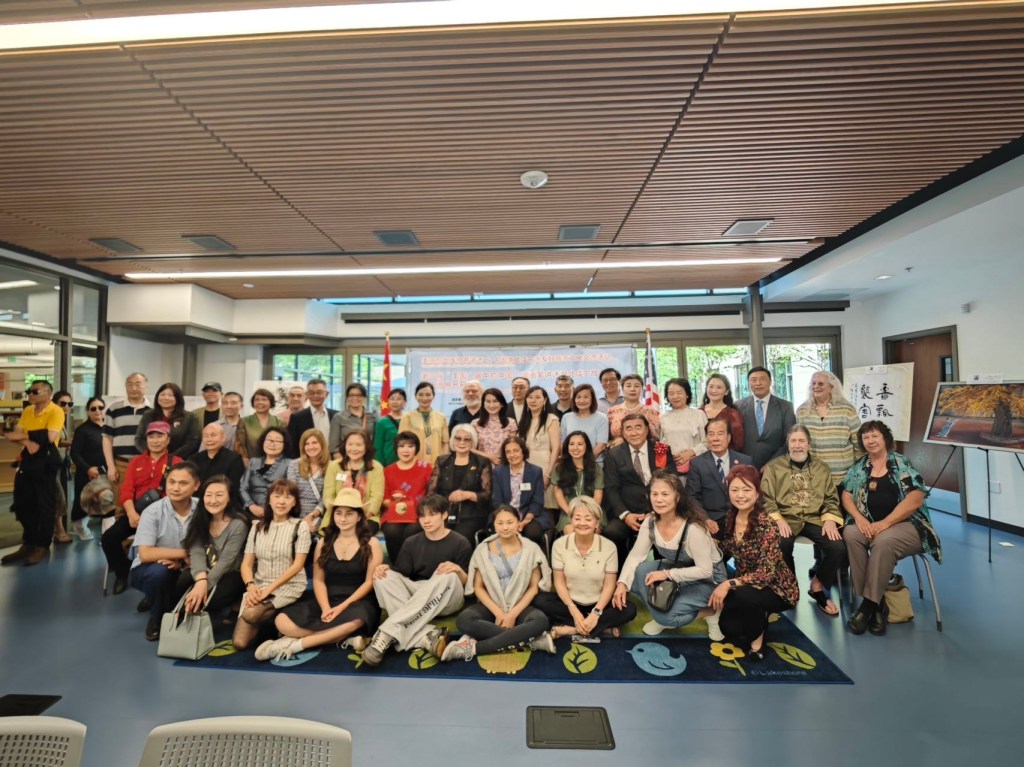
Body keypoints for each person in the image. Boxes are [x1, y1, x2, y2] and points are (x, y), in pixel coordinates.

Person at [842, 420, 942, 636]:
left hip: (907, 525)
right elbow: (846, 495)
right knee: (850, 534)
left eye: (875, 436)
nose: (870, 441)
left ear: (885, 438)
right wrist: (859, 519)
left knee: (883, 542)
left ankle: (867, 606)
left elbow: (916, 498)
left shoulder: (900, 464)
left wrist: (885, 524)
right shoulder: (860, 467)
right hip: (869, 524)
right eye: (866, 437)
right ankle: (877, 605)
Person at [258, 488, 384, 661]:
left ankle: (296, 645)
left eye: (349, 514)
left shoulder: (372, 543)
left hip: (358, 601)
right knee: (281, 621)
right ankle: (341, 638)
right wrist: (325, 607)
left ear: (359, 517)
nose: (343, 518)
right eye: (338, 513)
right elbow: (318, 580)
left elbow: (369, 583)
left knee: (356, 622)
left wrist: (342, 607)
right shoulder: (323, 543)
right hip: (327, 598)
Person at [362, 495, 472, 666]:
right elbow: (402, 574)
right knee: (382, 577)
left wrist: (458, 570)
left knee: (447, 574)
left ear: (444, 515)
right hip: (418, 593)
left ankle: (387, 633)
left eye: (432, 515)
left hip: (447, 597)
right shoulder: (411, 542)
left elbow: (467, 585)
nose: (426, 520)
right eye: (422, 516)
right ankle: (426, 636)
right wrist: (384, 569)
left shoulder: (460, 542)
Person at [613, 471, 726, 636]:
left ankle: (710, 612)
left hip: (709, 579)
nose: (659, 499)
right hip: (680, 569)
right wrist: (622, 584)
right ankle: (662, 612)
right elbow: (636, 556)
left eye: (665, 494)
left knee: (667, 616)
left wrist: (667, 574)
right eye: (655, 494)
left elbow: (705, 570)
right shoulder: (650, 522)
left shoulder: (694, 528)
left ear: (677, 497)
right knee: (639, 572)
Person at [442, 504, 554, 661]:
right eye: (500, 523)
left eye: (510, 522)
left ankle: (473, 648)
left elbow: (534, 587)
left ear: (518, 523)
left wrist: (512, 615)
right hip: (492, 604)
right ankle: (532, 640)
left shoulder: (531, 549)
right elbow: (478, 587)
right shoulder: (483, 549)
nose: (505, 527)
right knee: (464, 620)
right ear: (494, 525)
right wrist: (500, 614)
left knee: (540, 621)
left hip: (520, 605)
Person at [710, 465, 799, 659]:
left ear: (757, 493)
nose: (740, 495)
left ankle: (758, 642)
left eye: (746, 489)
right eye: (734, 490)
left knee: (744, 596)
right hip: (744, 583)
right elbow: (727, 549)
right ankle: (758, 615)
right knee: (729, 628)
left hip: (776, 587)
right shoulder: (730, 518)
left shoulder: (767, 524)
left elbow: (765, 573)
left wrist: (727, 584)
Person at [761, 425, 845, 616]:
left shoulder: (821, 468)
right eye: (793, 441)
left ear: (809, 444)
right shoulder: (774, 467)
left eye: (801, 441)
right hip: (786, 518)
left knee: (837, 547)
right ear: (788, 444)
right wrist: (778, 520)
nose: (797, 445)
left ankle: (817, 586)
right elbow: (766, 498)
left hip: (815, 518)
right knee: (782, 543)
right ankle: (790, 587)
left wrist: (830, 521)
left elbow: (831, 498)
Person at [533, 496, 635, 639]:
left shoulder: (609, 546)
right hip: (570, 603)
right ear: (571, 520)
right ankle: (601, 628)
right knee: (539, 600)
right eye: (577, 518)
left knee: (630, 609)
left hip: (599, 603)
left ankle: (571, 629)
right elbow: (559, 583)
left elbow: (609, 585)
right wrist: (573, 610)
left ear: (596, 523)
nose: (582, 523)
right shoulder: (559, 545)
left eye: (588, 519)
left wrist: (596, 613)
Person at [100, 420, 183, 594]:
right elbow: (126, 491)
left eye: (160, 436)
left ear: (168, 439)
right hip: (137, 514)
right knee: (109, 538)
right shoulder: (135, 462)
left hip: (164, 516)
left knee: (162, 543)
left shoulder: (177, 462)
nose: (155, 440)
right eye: (151, 436)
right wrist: (131, 513)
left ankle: (157, 583)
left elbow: (179, 493)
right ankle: (123, 573)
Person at [232, 479, 311, 650]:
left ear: (294, 502)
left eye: (287, 497)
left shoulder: (300, 526)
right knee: (239, 643)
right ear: (269, 500)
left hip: (289, 586)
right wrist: (251, 586)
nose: (281, 502)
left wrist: (269, 590)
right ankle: (272, 626)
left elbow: (297, 566)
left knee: (251, 614)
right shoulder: (257, 527)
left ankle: (275, 620)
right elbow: (246, 565)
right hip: (259, 586)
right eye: (277, 496)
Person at [129, 462, 201, 641]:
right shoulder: (152, 512)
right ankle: (157, 618)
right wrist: (183, 555)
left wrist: (180, 563)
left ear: (196, 486)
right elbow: (145, 554)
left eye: (183, 483)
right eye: (172, 482)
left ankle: (155, 597)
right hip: (150, 568)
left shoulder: (203, 509)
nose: (175, 488)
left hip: (187, 566)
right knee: (159, 573)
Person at [1, 379, 65, 567]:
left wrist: (23, 436)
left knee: (45, 505)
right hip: (27, 460)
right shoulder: (28, 410)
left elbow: (50, 437)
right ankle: (28, 542)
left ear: (48, 394)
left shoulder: (55, 411)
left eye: (35, 391)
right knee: (23, 503)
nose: (30, 394)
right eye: (29, 390)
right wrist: (28, 442)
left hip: (45, 462)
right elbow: (15, 434)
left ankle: (42, 545)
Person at [603, 413, 677, 568]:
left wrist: (656, 511)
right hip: (627, 511)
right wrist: (625, 515)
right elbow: (611, 488)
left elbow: (672, 484)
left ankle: (663, 575)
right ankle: (622, 574)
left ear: (646, 430)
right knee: (612, 532)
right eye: (628, 429)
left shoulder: (661, 449)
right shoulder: (613, 454)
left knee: (667, 533)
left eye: (638, 427)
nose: (634, 432)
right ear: (623, 433)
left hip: (659, 510)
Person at [176, 475, 249, 618]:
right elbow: (196, 551)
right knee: (182, 582)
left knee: (207, 601)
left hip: (230, 572)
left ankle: (229, 607)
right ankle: (177, 617)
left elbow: (226, 561)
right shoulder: (200, 518)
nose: (213, 500)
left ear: (229, 498)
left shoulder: (238, 524)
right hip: (207, 569)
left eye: (219, 495)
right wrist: (201, 580)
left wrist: (204, 585)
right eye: (208, 495)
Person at [687, 418, 752, 538]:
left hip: (740, 517)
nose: (715, 438)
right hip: (712, 521)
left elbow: (753, 492)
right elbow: (692, 497)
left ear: (729, 437)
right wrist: (705, 519)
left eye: (720, 434)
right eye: (711, 434)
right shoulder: (697, 463)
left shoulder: (744, 461)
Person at [427, 424, 492, 544]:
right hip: (445, 511)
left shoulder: (482, 462)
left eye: (467, 439)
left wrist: (468, 495)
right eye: (458, 438)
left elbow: (487, 495)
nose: (462, 442)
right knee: (435, 534)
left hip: (472, 514)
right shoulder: (442, 461)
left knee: (459, 538)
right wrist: (446, 500)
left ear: (472, 442)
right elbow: (431, 493)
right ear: (453, 440)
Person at [796, 371, 863, 486]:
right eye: (813, 383)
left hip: (844, 478)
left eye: (821, 384)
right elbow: (800, 444)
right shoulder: (802, 411)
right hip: (813, 478)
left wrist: (857, 473)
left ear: (831, 387)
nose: (816, 386)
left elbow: (859, 444)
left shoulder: (847, 410)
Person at [100, 372, 151, 514]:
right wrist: (111, 466)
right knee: (121, 505)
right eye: (130, 384)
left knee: (146, 505)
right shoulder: (114, 409)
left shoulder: (153, 411)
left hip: (146, 464)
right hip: (121, 464)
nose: (133, 388)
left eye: (138, 384)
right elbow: (107, 438)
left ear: (146, 386)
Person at [381, 431, 432, 562]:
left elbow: (431, 495)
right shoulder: (388, 471)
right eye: (401, 446)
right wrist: (396, 503)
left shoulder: (425, 467)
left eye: (410, 446)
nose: (406, 450)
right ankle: (397, 565)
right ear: (396, 449)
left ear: (416, 448)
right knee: (392, 531)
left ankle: (413, 566)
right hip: (393, 514)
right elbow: (384, 499)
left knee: (412, 531)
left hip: (419, 513)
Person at [491, 436, 548, 549]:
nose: (512, 455)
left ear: (523, 451)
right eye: (508, 452)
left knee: (532, 533)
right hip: (505, 515)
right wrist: (510, 521)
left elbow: (537, 501)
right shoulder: (498, 472)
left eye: (516, 450)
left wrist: (525, 521)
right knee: (500, 532)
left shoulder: (535, 471)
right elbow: (497, 501)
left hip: (529, 515)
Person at [323, 429, 384, 533]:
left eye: (358, 445)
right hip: (338, 515)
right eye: (350, 444)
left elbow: (376, 497)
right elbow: (328, 496)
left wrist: (360, 516)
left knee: (362, 532)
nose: (353, 448)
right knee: (333, 533)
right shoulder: (334, 466)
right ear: (345, 446)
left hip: (366, 516)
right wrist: (340, 515)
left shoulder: (376, 467)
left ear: (366, 447)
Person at [735, 366, 796, 469]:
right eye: (753, 380)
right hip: (745, 466)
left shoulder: (785, 406)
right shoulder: (738, 406)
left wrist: (771, 464)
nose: (758, 383)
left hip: (776, 467)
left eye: (762, 379)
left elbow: (789, 439)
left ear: (770, 382)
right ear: (749, 383)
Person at [68, 395, 107, 541]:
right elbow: (74, 453)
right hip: (87, 473)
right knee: (84, 502)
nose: (97, 411)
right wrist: (87, 468)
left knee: (105, 503)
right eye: (93, 409)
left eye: (100, 408)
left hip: (106, 473)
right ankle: (80, 528)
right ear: (88, 411)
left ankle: (106, 534)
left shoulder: (110, 428)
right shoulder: (82, 430)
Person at [551, 431, 605, 534]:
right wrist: (571, 512)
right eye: (572, 444)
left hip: (592, 510)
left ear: (586, 447)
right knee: (572, 532)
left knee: (591, 531)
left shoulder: (595, 468)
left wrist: (590, 512)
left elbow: (598, 496)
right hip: (569, 510)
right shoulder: (559, 468)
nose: (575, 448)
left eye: (580, 444)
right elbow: (558, 494)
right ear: (567, 447)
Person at [133, 382, 201, 459]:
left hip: (179, 461)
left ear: (178, 398)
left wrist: (169, 458)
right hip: (151, 460)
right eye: (162, 394)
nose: (166, 398)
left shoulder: (190, 417)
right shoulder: (148, 415)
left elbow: (192, 443)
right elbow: (139, 439)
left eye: (170, 395)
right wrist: (153, 455)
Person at [518, 385, 560, 508]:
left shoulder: (551, 419)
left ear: (545, 400)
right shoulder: (523, 421)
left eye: (537, 397)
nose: (533, 400)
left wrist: (548, 474)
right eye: (530, 397)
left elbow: (556, 449)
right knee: (528, 504)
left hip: (545, 466)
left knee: (546, 505)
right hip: (526, 467)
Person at [240, 427, 292, 520]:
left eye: (278, 441)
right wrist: (251, 506)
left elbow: (291, 492)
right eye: (269, 440)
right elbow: (243, 487)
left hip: (277, 512)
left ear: (284, 445)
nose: (272, 444)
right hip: (250, 511)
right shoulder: (253, 462)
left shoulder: (290, 464)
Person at [660, 378, 708, 474]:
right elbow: (660, 444)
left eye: (679, 392)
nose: (675, 396)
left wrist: (692, 452)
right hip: (671, 468)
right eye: (671, 393)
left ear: (687, 394)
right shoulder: (662, 417)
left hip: (696, 467)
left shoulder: (699, 414)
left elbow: (707, 442)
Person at [285, 428, 329, 529]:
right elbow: (291, 493)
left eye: (314, 443)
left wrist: (312, 515)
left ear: (322, 444)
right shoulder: (294, 465)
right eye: (307, 444)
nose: (311, 447)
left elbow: (326, 497)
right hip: (295, 511)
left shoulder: (330, 467)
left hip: (320, 513)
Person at [397, 382, 448, 465]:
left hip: (437, 462)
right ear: (416, 396)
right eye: (420, 395)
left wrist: (445, 462)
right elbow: (401, 442)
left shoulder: (441, 417)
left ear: (433, 396)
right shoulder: (407, 417)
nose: (424, 398)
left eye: (428, 395)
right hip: (414, 462)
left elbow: (445, 442)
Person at [286, 378, 337, 458]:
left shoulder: (336, 415)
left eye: (319, 392)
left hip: (332, 461)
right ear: (307, 395)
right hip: (307, 462)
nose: (315, 396)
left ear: (326, 394)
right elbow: (292, 445)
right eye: (311, 393)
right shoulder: (297, 418)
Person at [559, 383, 609, 465]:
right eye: (578, 397)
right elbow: (562, 443)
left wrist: (583, 463)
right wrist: (570, 462)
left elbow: (601, 445)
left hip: (593, 464)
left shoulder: (602, 418)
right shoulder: (566, 417)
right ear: (574, 399)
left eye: (586, 397)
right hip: (570, 465)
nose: (582, 400)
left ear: (592, 399)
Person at [607, 373, 662, 447]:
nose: (632, 389)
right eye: (628, 386)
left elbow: (656, 438)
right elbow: (607, 438)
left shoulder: (650, 411)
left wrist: (625, 440)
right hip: (618, 451)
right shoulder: (612, 411)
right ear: (622, 389)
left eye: (636, 386)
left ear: (642, 389)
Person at [329, 382, 378, 458]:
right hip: (346, 459)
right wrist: (344, 462)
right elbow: (334, 448)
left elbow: (376, 441)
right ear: (347, 398)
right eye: (351, 395)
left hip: (368, 459)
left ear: (364, 398)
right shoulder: (338, 417)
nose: (355, 398)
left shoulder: (372, 417)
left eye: (358, 395)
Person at [700, 373, 745, 456]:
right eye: (711, 387)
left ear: (726, 391)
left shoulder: (733, 414)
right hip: (700, 458)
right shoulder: (699, 412)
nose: (714, 390)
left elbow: (738, 444)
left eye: (719, 387)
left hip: (726, 458)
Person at [189, 422, 244, 488]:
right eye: (206, 436)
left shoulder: (234, 459)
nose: (209, 439)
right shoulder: (194, 459)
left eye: (213, 435)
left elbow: (234, 487)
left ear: (223, 438)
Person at [471, 388, 517, 466]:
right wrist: (489, 457)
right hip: (482, 465)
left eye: (495, 401)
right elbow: (470, 448)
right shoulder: (475, 424)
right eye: (488, 401)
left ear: (502, 404)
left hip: (505, 465)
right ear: (483, 404)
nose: (491, 405)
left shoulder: (511, 423)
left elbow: (513, 446)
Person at [52, 390, 74, 544]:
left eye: (69, 403)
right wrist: (73, 442)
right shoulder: (54, 419)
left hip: (58, 464)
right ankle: (59, 530)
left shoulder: (62, 419)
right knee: (58, 496)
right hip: (50, 465)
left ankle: (57, 530)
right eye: (63, 403)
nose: (66, 406)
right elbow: (54, 440)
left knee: (57, 496)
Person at [241, 388, 285, 457]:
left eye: (264, 399)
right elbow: (240, 444)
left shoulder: (279, 422)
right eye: (257, 400)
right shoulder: (244, 421)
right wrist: (244, 458)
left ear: (271, 402)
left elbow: (284, 444)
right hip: (250, 460)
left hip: (275, 460)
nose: (260, 402)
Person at [374, 388, 407, 467]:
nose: (395, 402)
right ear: (388, 401)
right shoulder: (382, 422)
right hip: (388, 463)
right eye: (392, 399)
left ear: (405, 402)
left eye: (399, 399)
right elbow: (377, 447)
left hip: (407, 461)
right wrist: (380, 466)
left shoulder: (409, 419)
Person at [218, 391, 248, 459]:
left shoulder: (248, 426)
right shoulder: (214, 426)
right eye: (225, 403)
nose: (229, 406)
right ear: (221, 406)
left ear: (241, 406)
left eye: (233, 403)